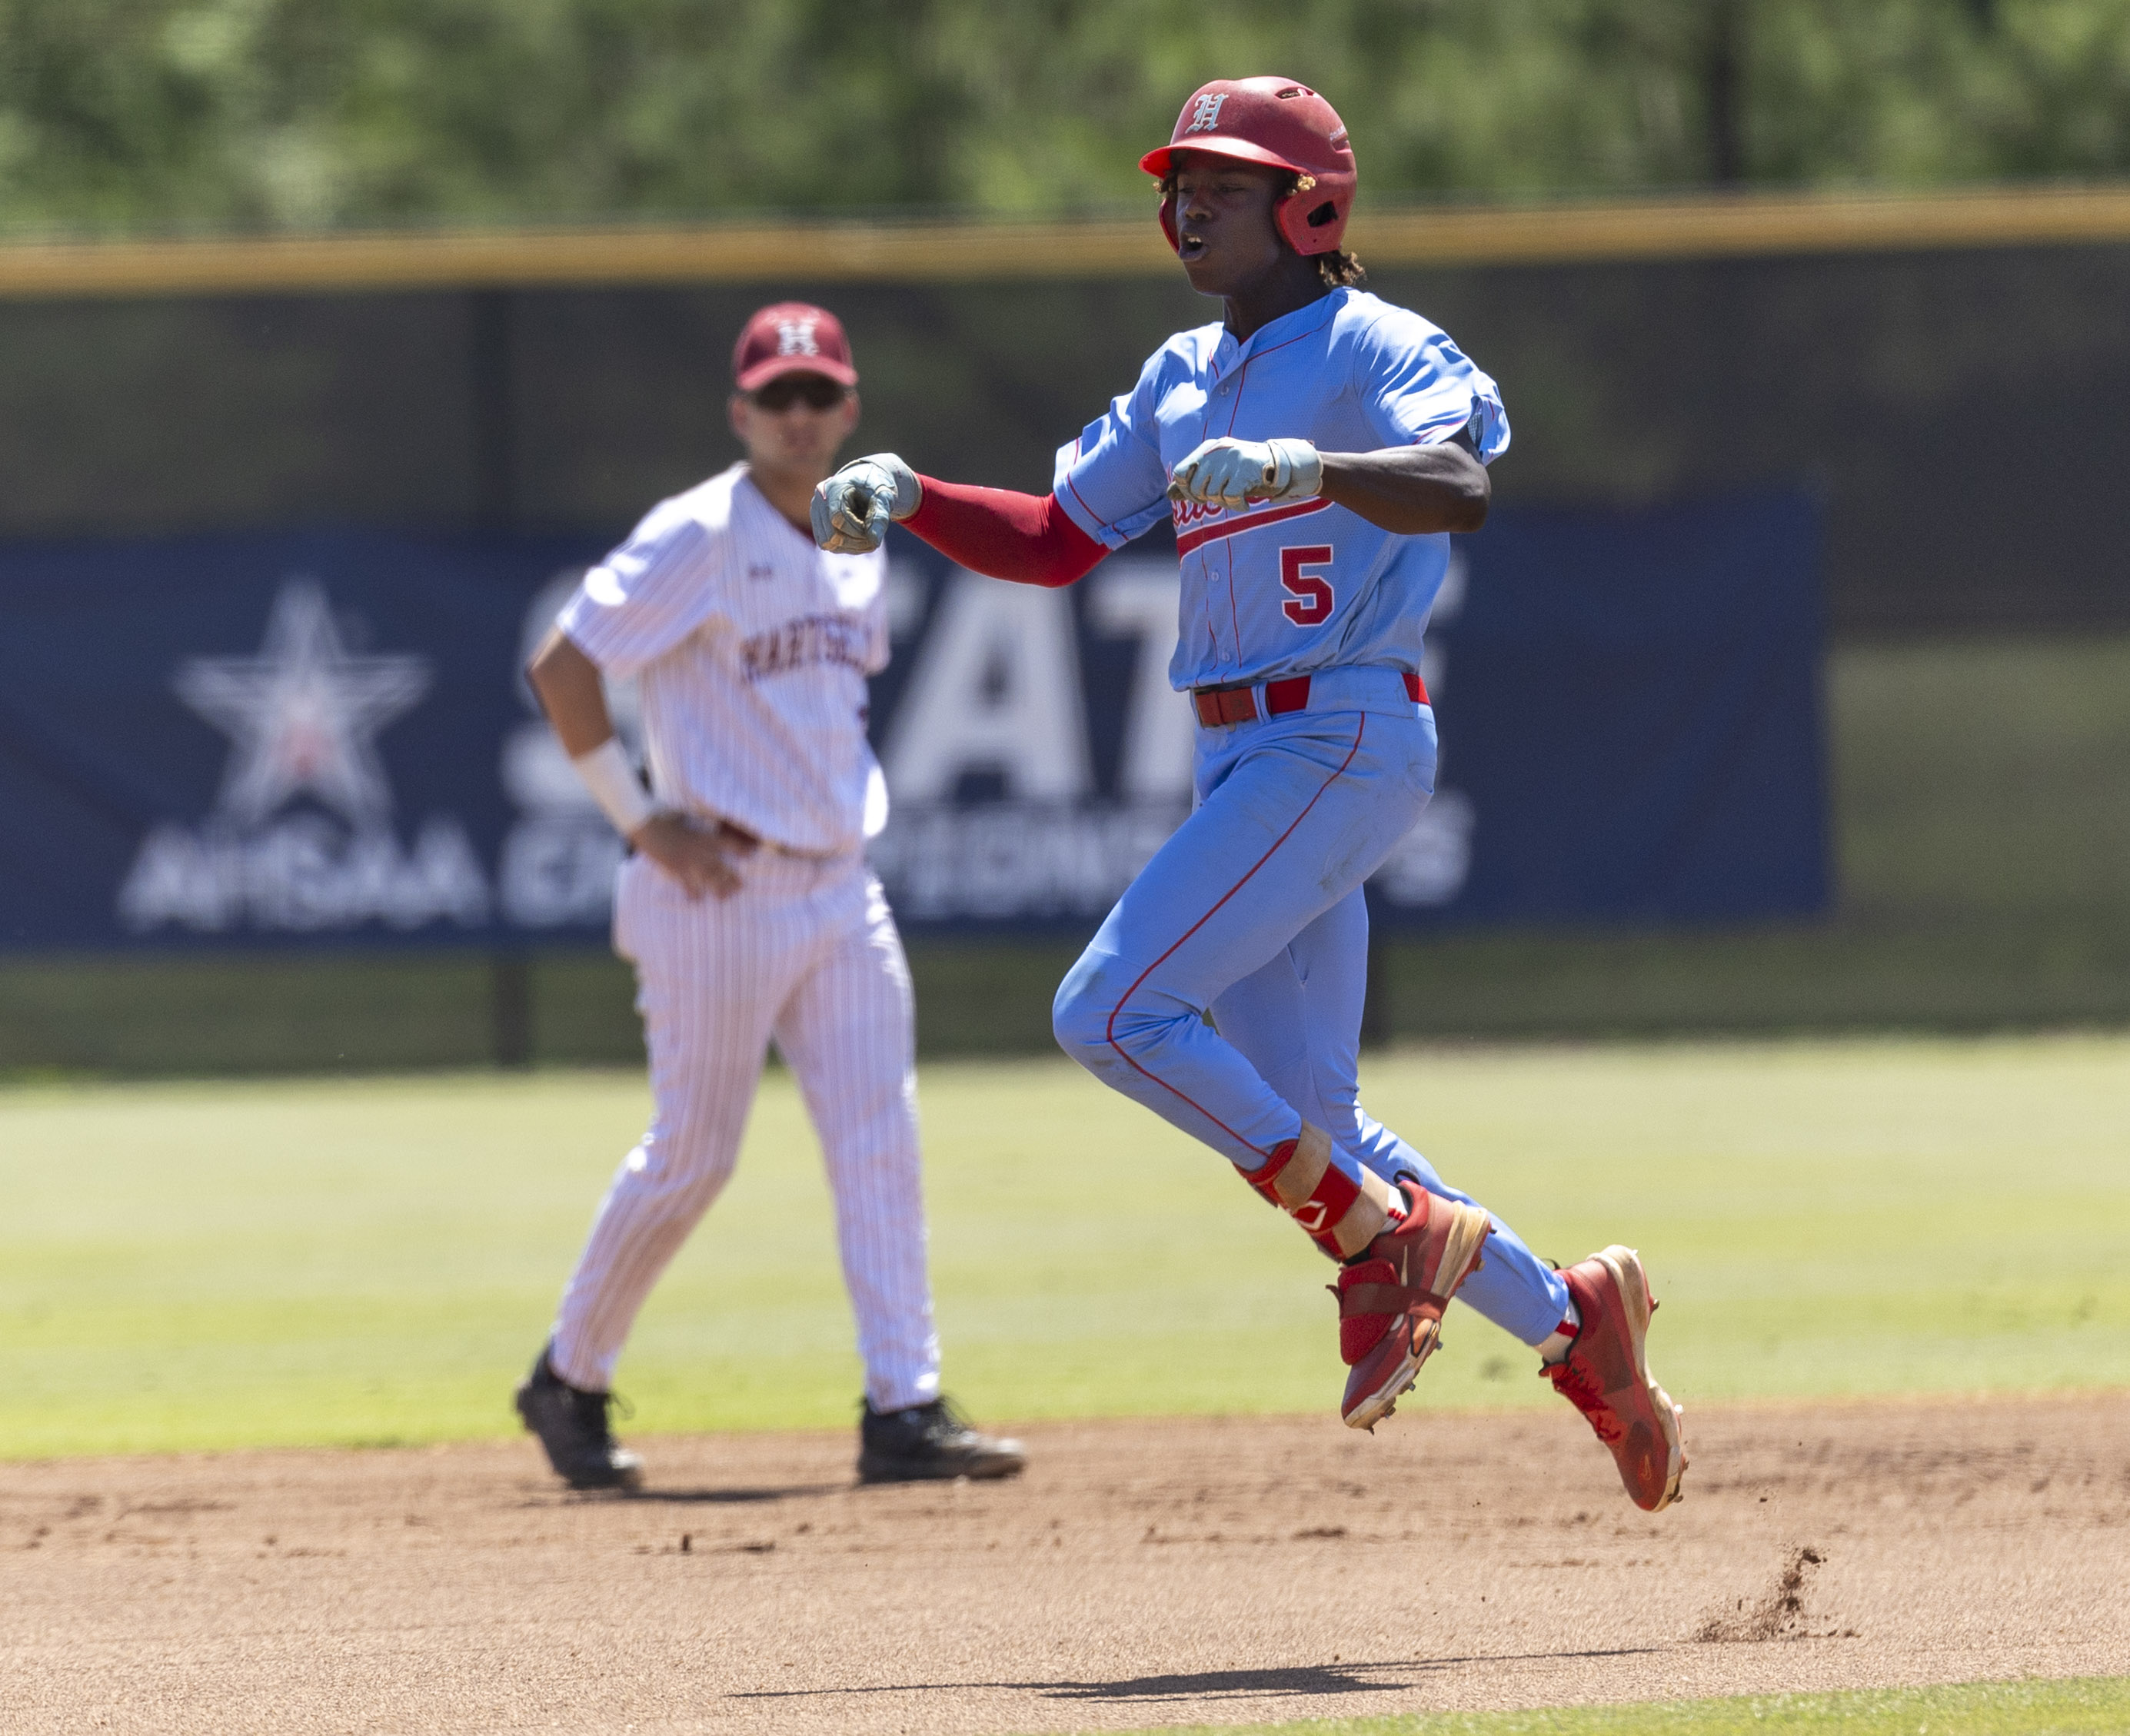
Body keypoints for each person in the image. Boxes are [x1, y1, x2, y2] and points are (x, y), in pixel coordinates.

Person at [813, 81, 1684, 1511]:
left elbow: (1458, 479)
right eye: (1180, 179)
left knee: (1109, 1009)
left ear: (1311, 205)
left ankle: (1372, 1238)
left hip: (1338, 729)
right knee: (1307, 1112)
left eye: (1226, 179)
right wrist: (917, 495)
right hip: (1240, 747)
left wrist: (1317, 464)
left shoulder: (1373, 343)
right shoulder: (1177, 373)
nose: (1188, 201)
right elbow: (1052, 540)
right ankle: (1574, 1322)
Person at [514, 301, 1024, 1490]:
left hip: (841, 884)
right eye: (775, 398)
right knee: (693, 1155)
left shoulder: (857, 532)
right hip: (723, 885)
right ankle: (569, 1374)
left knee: (879, 1140)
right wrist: (638, 818)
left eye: (818, 395)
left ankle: (904, 1406)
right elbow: (565, 664)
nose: (799, 416)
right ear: (741, 413)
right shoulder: (697, 531)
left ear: (849, 410)